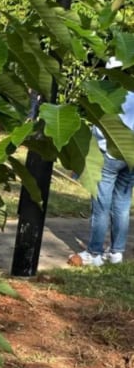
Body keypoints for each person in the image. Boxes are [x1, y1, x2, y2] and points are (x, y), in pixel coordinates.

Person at [71, 58, 134, 266]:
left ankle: (95, 253)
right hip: (130, 157)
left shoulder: (105, 95)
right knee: (122, 204)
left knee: (101, 205)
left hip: (109, 155)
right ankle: (117, 252)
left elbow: (99, 129)